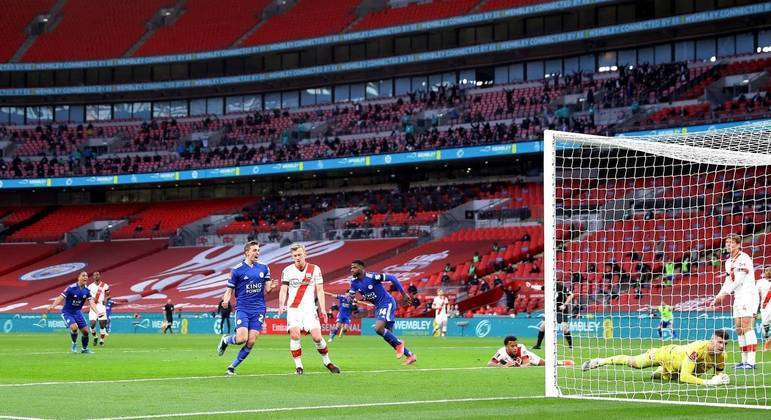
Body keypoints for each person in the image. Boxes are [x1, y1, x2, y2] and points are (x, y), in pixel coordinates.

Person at [582, 330, 730, 386]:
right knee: (635, 363)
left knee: (665, 378)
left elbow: (718, 372)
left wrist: (721, 378)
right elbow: (685, 377)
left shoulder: (722, 356)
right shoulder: (697, 349)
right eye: (719, 342)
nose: (722, 346)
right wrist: (708, 382)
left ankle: (662, 372)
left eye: (725, 343)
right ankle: (600, 361)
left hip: (676, 368)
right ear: (711, 340)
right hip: (666, 354)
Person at [217, 241, 278, 376]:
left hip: (259, 309)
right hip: (243, 308)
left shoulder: (264, 268)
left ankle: (232, 367)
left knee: (251, 341)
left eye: (258, 250)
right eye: (255, 250)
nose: (258, 252)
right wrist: (226, 300)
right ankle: (226, 340)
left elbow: (267, 290)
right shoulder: (237, 270)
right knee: (241, 339)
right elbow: (229, 290)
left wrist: (271, 287)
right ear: (247, 252)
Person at [278, 243, 339, 375]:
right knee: (295, 334)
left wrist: (323, 309)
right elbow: (283, 290)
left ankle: (327, 362)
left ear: (305, 254)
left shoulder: (315, 269)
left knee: (317, 337)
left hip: (310, 309)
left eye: (300, 254)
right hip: (293, 309)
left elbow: (320, 290)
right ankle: (299, 366)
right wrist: (281, 304)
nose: (297, 257)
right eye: (295, 255)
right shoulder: (287, 271)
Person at [349, 259, 417, 365]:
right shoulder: (354, 282)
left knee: (378, 328)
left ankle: (400, 344)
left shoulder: (373, 277)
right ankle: (410, 355)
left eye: (354, 267)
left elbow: (393, 278)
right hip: (379, 307)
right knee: (389, 337)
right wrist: (350, 298)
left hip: (387, 303)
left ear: (361, 268)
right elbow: (351, 296)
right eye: (351, 267)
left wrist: (403, 294)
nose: (351, 269)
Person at [710, 234, 758, 369]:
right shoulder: (728, 262)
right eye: (727, 242)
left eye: (731, 242)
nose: (728, 245)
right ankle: (744, 360)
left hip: (748, 295)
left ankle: (751, 362)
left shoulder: (744, 258)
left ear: (738, 244)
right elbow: (728, 281)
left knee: (747, 326)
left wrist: (725, 294)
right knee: (738, 328)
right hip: (738, 296)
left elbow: (740, 279)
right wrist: (717, 296)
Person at [45, 271, 94, 353]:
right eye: (83, 276)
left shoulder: (87, 290)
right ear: (79, 278)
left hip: (78, 312)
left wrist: (97, 312)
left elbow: (92, 302)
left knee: (85, 332)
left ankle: (84, 349)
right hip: (67, 312)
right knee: (74, 327)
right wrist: (53, 306)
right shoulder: (71, 288)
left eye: (86, 276)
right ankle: (74, 343)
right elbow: (61, 297)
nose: (85, 277)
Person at [529, 281, 573, 349]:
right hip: (552, 310)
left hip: (561, 309)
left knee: (564, 328)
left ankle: (571, 346)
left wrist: (565, 304)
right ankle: (538, 345)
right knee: (542, 326)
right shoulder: (548, 287)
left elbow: (571, 295)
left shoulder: (561, 287)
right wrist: (530, 286)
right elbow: (540, 287)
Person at [487, 336, 573, 368]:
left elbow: (527, 363)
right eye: (512, 346)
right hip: (516, 362)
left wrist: (515, 365)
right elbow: (490, 363)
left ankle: (561, 362)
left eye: (515, 345)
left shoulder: (521, 348)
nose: (515, 348)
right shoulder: (501, 352)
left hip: (529, 358)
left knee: (545, 363)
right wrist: (501, 365)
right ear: (506, 346)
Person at [87, 271, 110, 346]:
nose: (96, 276)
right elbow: (87, 296)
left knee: (102, 325)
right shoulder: (89, 286)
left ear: (100, 276)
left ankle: (102, 340)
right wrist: (92, 299)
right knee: (92, 324)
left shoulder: (105, 285)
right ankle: (95, 337)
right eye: (94, 275)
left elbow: (108, 295)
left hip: (101, 306)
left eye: (97, 275)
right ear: (93, 277)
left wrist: (106, 299)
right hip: (93, 306)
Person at [757, 268, 771, 351]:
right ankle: (767, 340)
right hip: (765, 308)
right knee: (765, 327)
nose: (769, 272)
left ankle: (766, 345)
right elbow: (755, 295)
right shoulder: (760, 282)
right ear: (764, 272)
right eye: (767, 270)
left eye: (770, 270)